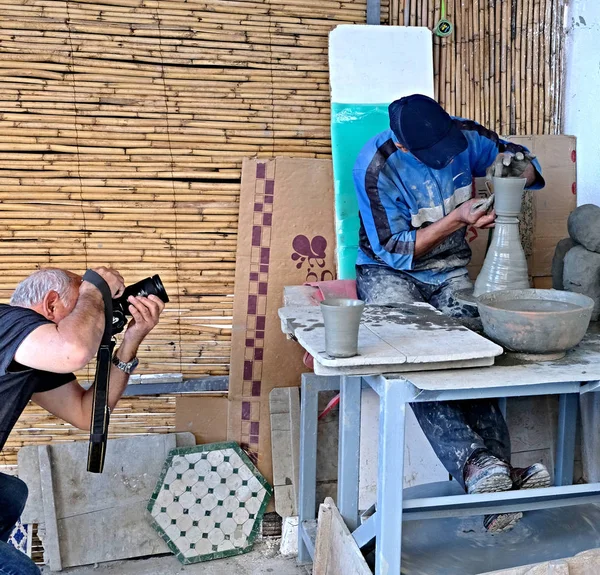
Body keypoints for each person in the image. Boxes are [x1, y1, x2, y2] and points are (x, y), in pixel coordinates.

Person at [353, 94, 550, 532]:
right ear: (402, 147)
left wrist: (512, 178)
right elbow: (395, 249)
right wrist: (458, 219)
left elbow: (525, 167)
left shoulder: (464, 135)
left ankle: (496, 479)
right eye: (432, 157)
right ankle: (477, 465)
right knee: (418, 355)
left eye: (448, 150)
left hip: (449, 270)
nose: (445, 162)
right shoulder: (375, 167)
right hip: (390, 272)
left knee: (478, 349)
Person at [0, 267, 165, 573]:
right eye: (83, 309)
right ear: (51, 304)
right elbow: (74, 350)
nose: (95, 320)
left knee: (10, 494)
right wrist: (93, 291)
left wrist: (130, 342)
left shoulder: (30, 356)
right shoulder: (6, 321)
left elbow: (87, 414)